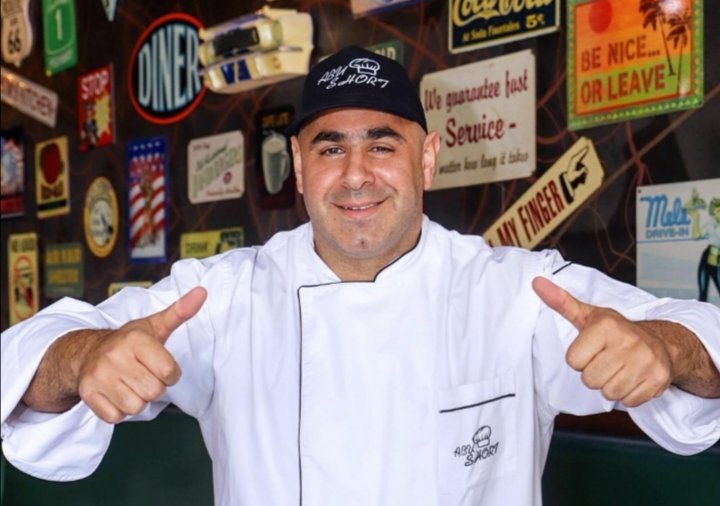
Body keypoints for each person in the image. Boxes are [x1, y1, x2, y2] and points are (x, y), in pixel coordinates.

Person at [1, 46, 719, 505]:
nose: (354, 175)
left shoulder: (515, 292)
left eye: (382, 145)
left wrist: (664, 349)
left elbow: (703, 342)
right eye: (329, 148)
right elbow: (30, 362)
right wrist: (86, 359)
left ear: (426, 159)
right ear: (298, 165)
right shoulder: (220, 298)